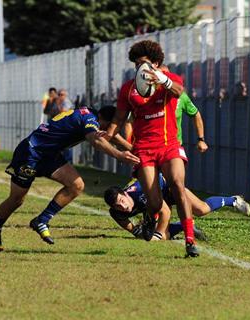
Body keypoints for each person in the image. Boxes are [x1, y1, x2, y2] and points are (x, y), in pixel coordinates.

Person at [0, 106, 139, 251]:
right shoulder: (89, 121)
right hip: (31, 152)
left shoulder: (92, 117)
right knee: (16, 199)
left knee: (76, 185)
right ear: (104, 121)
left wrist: (133, 149)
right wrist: (119, 155)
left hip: (49, 155)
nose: (114, 130)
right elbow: (97, 140)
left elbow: (108, 136)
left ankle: (41, 220)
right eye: (113, 125)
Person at [102, 40, 199, 257]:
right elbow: (119, 117)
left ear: (155, 63)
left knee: (177, 184)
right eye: (136, 64)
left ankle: (190, 240)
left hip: (169, 145)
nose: (139, 68)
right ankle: (149, 218)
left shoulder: (170, 80)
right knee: (154, 203)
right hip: (144, 149)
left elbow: (178, 90)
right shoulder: (128, 89)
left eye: (143, 63)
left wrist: (162, 80)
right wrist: (107, 135)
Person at [104, 174, 250, 240]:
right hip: (155, 202)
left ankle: (234, 200)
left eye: (122, 200)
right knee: (153, 236)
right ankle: (186, 225)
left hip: (170, 190)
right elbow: (135, 232)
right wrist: (143, 231)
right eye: (118, 206)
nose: (123, 207)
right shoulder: (117, 213)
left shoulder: (142, 189)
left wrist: (157, 232)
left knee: (202, 210)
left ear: (125, 193)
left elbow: (165, 211)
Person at [159, 66, 208, 153]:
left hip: (174, 146)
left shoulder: (181, 97)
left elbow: (195, 114)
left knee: (178, 165)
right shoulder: (146, 97)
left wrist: (201, 139)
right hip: (151, 147)